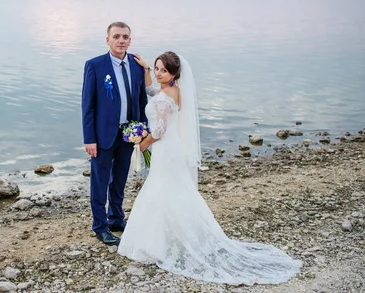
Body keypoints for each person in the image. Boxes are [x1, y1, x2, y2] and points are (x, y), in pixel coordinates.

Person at [117, 51, 302, 285]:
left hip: (164, 147)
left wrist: (144, 141)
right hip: (171, 149)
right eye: (156, 68)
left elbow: (160, 130)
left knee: (161, 189)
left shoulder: (164, 98)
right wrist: (145, 68)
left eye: (163, 70)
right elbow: (151, 90)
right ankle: (171, 237)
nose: (158, 73)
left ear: (174, 73)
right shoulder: (175, 92)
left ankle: (159, 243)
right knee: (172, 189)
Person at [81, 22, 148, 246]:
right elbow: (87, 105)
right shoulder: (95, 65)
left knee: (119, 180)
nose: (121, 40)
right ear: (107, 39)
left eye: (125, 37)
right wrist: (89, 138)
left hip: (129, 133)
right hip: (102, 135)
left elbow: (141, 100)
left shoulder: (137, 66)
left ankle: (117, 219)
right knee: (100, 182)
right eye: (116, 36)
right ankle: (100, 227)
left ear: (130, 40)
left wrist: (143, 129)